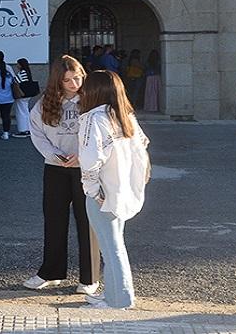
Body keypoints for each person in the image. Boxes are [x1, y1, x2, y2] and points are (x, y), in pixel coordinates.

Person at [23, 55, 99, 295]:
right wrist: (54, 154)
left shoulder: (92, 100)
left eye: (77, 78)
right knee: (54, 220)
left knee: (87, 221)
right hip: (55, 167)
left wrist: (82, 155)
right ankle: (51, 272)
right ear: (58, 81)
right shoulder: (44, 103)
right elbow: (37, 133)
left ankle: (90, 277)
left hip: (85, 168)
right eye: (67, 80)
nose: (74, 83)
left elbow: (102, 133)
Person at [78, 70, 151, 310]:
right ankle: (112, 294)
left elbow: (90, 160)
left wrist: (92, 191)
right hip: (122, 189)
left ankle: (120, 299)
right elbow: (143, 149)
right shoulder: (125, 115)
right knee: (114, 243)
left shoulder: (92, 118)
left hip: (104, 193)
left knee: (111, 247)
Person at [12, 58, 34, 138]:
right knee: (25, 111)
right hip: (27, 94)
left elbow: (15, 81)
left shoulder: (22, 72)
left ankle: (23, 130)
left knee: (20, 112)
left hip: (21, 94)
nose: (17, 65)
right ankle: (28, 129)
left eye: (18, 64)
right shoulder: (28, 72)